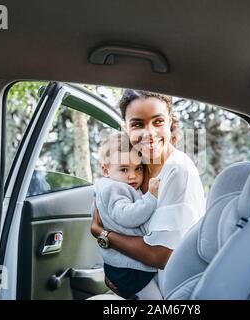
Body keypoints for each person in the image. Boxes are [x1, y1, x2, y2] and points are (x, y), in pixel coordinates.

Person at [91, 90, 206, 299]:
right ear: (126, 127)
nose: (149, 133)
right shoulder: (138, 165)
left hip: (172, 289)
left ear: (170, 121)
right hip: (139, 282)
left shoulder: (178, 170)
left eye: (158, 121)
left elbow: (160, 256)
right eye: (137, 124)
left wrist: (102, 234)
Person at [93, 131, 160, 299]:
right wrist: (151, 198)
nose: (133, 175)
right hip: (128, 268)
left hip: (122, 264)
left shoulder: (112, 186)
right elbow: (127, 217)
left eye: (138, 168)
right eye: (124, 169)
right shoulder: (114, 188)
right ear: (105, 170)